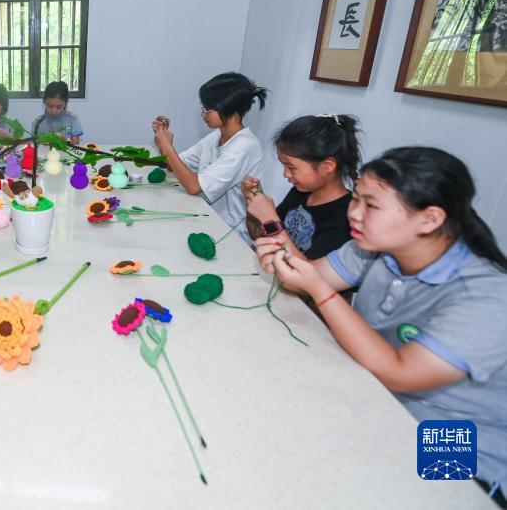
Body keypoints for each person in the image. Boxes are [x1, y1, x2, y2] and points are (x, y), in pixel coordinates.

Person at [257, 147, 507, 506]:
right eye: (356, 198)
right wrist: (282, 260)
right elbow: (307, 278)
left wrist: (319, 290)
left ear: (429, 219)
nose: (354, 213)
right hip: (377, 402)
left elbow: (400, 374)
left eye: (371, 206)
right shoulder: (373, 248)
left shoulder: (488, 295)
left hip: (460, 441)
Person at [152, 72, 267, 231]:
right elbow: (174, 167)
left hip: (230, 232)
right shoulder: (216, 136)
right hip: (206, 217)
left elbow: (193, 186)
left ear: (229, 108)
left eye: (207, 109)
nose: (202, 114)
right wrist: (164, 141)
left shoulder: (245, 146)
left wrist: (167, 147)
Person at [242, 114, 360, 261]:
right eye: (284, 165)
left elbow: (308, 272)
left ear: (327, 166)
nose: (285, 174)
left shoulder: (345, 218)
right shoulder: (300, 192)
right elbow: (257, 234)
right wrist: (253, 203)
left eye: (291, 167)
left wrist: (269, 218)